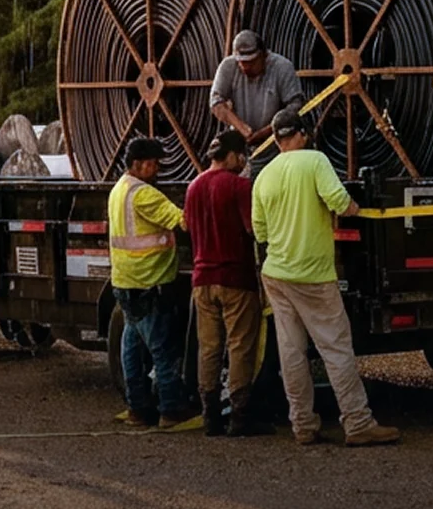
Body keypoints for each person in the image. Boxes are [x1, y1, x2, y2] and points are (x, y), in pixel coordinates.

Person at [251, 107, 400, 448]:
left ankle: (302, 425)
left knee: (291, 352)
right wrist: (353, 208)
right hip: (312, 275)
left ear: (276, 139)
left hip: (276, 274)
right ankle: (358, 422)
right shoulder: (315, 161)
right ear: (302, 134)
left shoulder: (264, 175)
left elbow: (259, 230)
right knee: (335, 348)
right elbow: (337, 200)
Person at [108, 137, 199, 431]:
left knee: (132, 348)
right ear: (138, 164)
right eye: (154, 163)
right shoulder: (144, 195)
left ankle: (137, 408)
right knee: (162, 348)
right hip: (149, 281)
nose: (158, 168)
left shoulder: (118, 189)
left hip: (125, 281)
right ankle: (171, 410)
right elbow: (184, 221)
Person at [183, 133, 270, 437]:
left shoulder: (193, 187)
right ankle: (240, 417)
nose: (244, 161)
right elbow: (253, 229)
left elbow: (188, 225)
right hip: (236, 280)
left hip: (202, 280)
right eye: (242, 155)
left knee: (208, 348)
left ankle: (210, 418)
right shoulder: (239, 186)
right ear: (231, 156)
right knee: (239, 347)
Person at [210, 29, 304, 148]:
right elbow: (216, 101)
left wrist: (268, 131)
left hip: (275, 145)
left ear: (264, 55)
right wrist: (241, 128)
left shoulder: (282, 67)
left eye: (252, 62)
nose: (245, 67)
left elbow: (296, 106)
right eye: (241, 62)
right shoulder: (228, 66)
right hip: (241, 147)